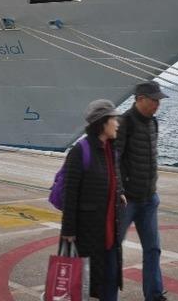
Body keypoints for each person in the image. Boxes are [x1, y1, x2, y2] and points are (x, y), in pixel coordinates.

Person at [61, 99, 126, 301]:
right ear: (102, 122)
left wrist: (119, 192)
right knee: (84, 285)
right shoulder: (81, 151)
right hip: (88, 233)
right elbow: (70, 194)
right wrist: (68, 231)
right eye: (114, 119)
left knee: (111, 279)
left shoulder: (111, 149)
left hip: (111, 231)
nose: (117, 123)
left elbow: (113, 176)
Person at [117, 81, 169, 301]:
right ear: (140, 99)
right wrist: (119, 190)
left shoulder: (153, 123)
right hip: (126, 201)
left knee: (153, 249)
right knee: (112, 249)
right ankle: (107, 294)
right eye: (154, 100)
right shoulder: (124, 123)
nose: (157, 104)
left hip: (149, 198)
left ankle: (154, 295)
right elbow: (115, 159)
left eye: (159, 100)